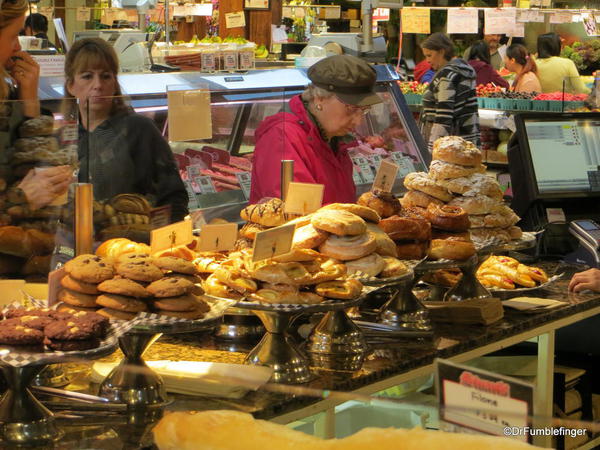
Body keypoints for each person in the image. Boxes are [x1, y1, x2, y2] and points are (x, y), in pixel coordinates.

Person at [63, 38, 188, 221]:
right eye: (87, 76)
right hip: (75, 244)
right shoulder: (65, 138)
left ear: (114, 83)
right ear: (71, 86)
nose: (98, 85)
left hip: (131, 244)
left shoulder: (139, 129)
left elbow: (174, 198)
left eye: (106, 76)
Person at [250, 54, 382, 204]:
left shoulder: (334, 137)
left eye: (364, 110)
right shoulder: (282, 138)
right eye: (351, 109)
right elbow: (295, 214)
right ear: (320, 98)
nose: (358, 121)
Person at [0, 0, 71, 210]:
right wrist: (21, 198)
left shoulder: (8, 95)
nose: (18, 47)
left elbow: (29, 168)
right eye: (13, 36)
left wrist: (29, 101)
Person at [419, 33, 480, 151]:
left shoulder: (447, 75)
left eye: (429, 55)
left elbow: (444, 115)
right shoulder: (465, 71)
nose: (427, 61)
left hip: (450, 146)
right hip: (466, 140)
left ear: (441, 52)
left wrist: (434, 149)